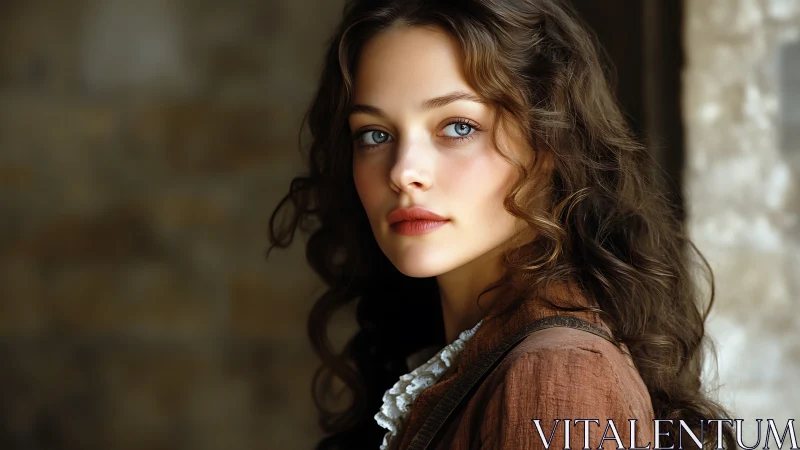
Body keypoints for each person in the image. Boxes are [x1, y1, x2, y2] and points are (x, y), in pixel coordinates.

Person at [267, 0, 736, 448]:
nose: (402, 172)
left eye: (458, 127)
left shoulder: (556, 377)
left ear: (548, 142)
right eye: (375, 134)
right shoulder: (458, 358)